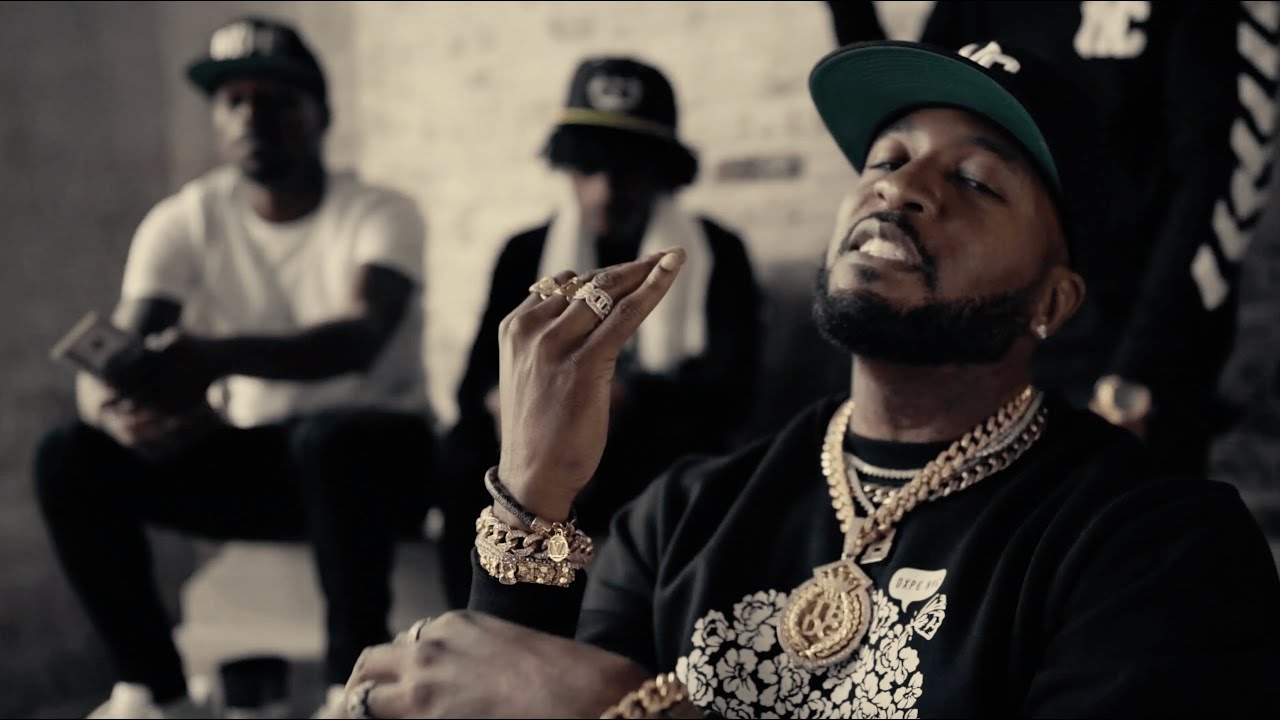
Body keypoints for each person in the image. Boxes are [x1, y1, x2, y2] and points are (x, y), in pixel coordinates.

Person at [344, 39, 1280, 718]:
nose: (900, 188)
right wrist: (533, 491)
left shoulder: (1156, 546)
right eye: (887, 158)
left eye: (977, 181)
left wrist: (624, 708)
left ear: (1053, 299)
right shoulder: (682, 519)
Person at [33, 17, 434, 719]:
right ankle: (155, 693)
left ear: (322, 113)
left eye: (276, 98)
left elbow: (360, 339)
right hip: (265, 462)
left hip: (382, 464)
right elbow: (120, 350)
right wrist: (117, 413)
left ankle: (352, 690)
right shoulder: (184, 220)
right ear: (217, 119)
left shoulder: (381, 212)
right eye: (234, 100)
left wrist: (216, 355)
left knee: (331, 441)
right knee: (69, 455)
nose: (252, 116)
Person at [871, 1, 1280, 481]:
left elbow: (1216, 182)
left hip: (1126, 352)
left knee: (1128, 520)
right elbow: (911, 121)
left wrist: (1140, 368)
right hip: (994, 333)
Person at [437, 56, 761, 609]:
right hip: (538, 438)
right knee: (463, 458)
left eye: (627, 170)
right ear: (567, 167)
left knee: (692, 462)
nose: (605, 190)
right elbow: (472, 387)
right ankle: (473, 626)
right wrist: (508, 402)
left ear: (661, 172)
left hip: (650, 443)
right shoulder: (525, 253)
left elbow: (732, 392)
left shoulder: (717, 251)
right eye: (589, 168)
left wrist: (622, 396)